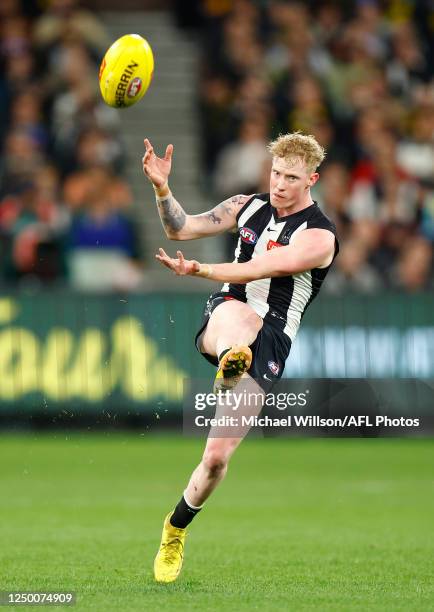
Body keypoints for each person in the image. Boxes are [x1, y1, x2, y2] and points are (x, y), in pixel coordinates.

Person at [142, 132, 339, 583]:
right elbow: (180, 229)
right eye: (275, 173)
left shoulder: (319, 237)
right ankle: (233, 359)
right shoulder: (245, 206)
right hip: (228, 316)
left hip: (271, 343)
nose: (280, 184)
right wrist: (162, 189)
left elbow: (261, 268)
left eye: (292, 177)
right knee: (240, 319)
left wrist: (201, 269)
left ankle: (174, 530)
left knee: (215, 459)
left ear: (312, 179)